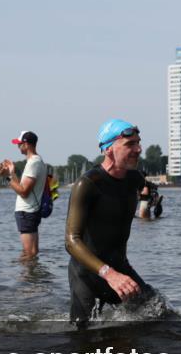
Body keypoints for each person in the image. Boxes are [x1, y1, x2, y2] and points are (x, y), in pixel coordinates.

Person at [65, 119, 153, 324]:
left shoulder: (134, 178)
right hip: (87, 273)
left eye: (138, 143)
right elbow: (71, 240)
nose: (138, 149)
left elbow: (147, 191)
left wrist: (149, 204)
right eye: (130, 144)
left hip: (121, 268)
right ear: (109, 149)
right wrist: (109, 274)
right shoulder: (87, 184)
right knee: (82, 335)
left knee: (160, 316)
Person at [0, 130, 47, 260]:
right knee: (32, 252)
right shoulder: (36, 161)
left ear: (27, 144)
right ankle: (30, 278)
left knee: (28, 253)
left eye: (19, 143)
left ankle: (24, 278)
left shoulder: (33, 163)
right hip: (31, 211)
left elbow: (23, 191)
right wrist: (11, 173)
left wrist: (6, 177)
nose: (18, 146)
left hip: (27, 212)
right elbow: (22, 186)